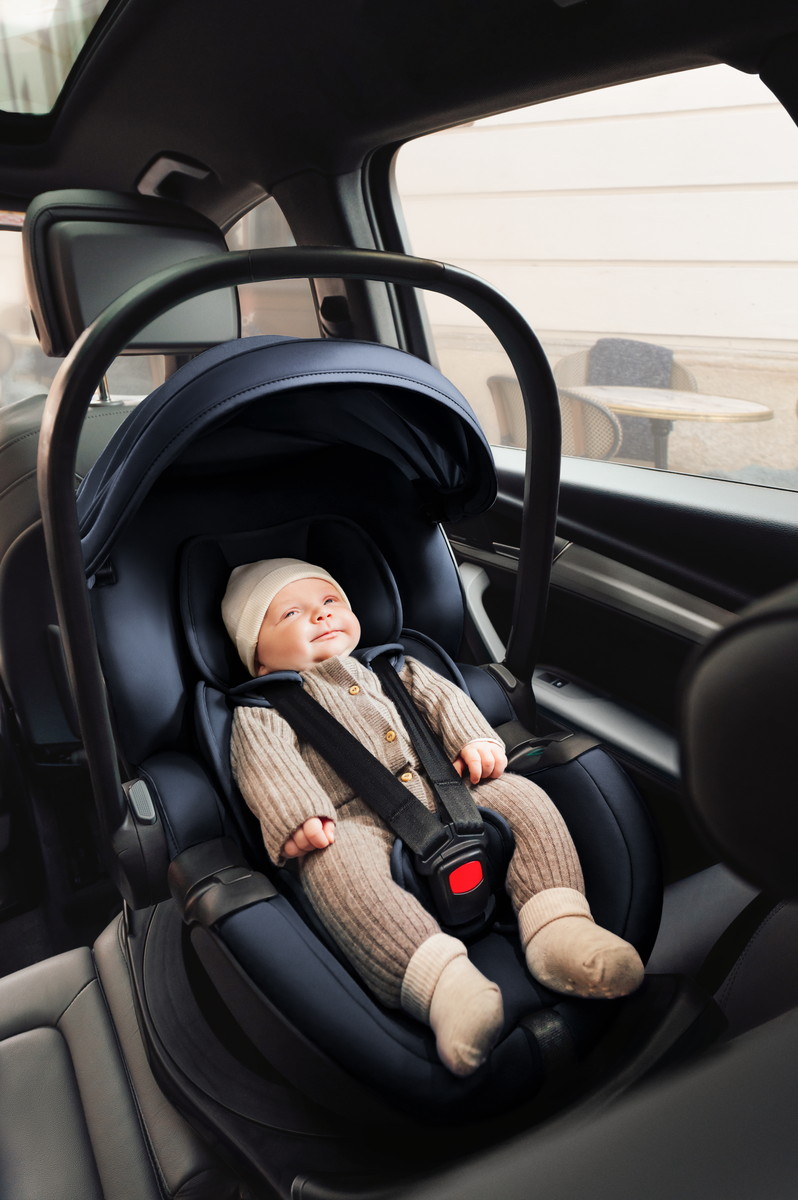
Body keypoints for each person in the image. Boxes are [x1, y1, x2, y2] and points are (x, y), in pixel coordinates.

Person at [223, 558, 644, 1076]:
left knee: (522, 797)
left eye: (330, 602)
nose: (321, 615)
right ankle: (442, 984)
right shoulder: (263, 710)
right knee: (335, 868)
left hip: (449, 789)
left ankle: (558, 925)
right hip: (351, 819)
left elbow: (445, 702)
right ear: (258, 657)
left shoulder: (395, 667)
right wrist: (298, 816)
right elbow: (267, 766)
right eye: (291, 614)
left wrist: (474, 740)